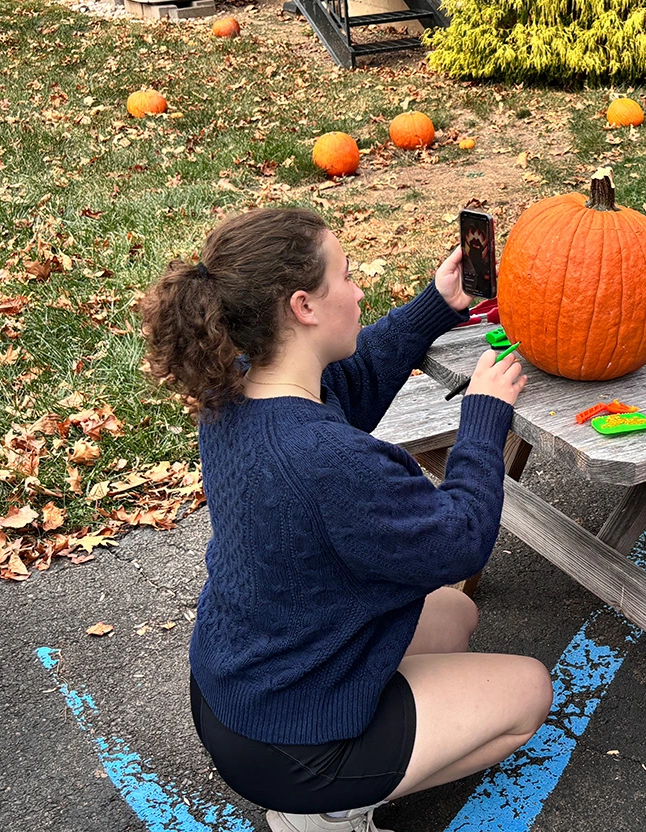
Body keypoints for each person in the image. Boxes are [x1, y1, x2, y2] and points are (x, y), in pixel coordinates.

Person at [140, 207, 553, 832]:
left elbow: (349, 385)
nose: (360, 291)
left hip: (238, 685)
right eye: (348, 276)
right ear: (304, 306)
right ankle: (326, 811)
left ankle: (347, 761)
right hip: (291, 744)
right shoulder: (328, 462)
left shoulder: (238, 388)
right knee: (529, 692)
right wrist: (483, 417)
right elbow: (461, 538)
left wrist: (438, 305)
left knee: (456, 615)